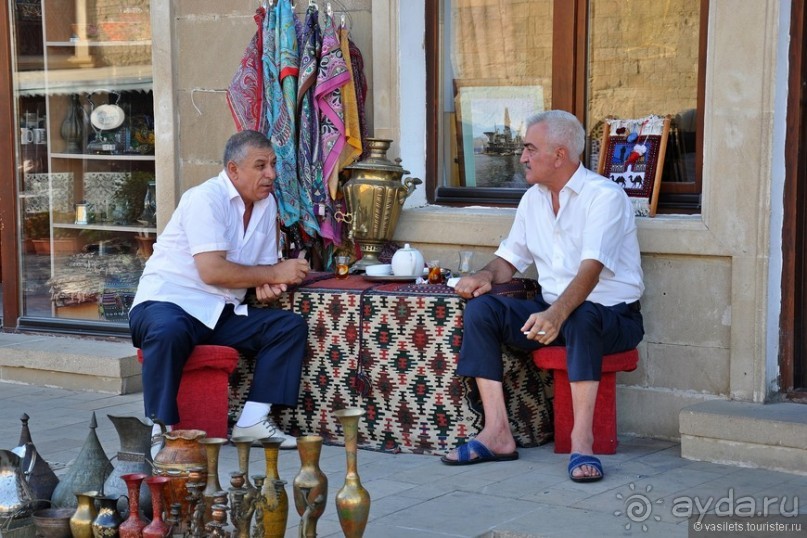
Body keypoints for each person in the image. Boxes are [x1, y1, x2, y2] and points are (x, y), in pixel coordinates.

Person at [441, 110, 644, 482]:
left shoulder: (605, 197)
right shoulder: (533, 199)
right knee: (482, 311)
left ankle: (582, 442)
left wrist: (556, 314)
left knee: (582, 315)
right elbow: (509, 259)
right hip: (555, 313)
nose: (522, 157)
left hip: (613, 317)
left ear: (560, 154)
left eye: (530, 149)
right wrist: (483, 276)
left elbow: (591, 270)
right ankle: (497, 433)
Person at [129, 129, 310, 450]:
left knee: (287, 327)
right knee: (168, 330)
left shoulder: (266, 205)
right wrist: (271, 273)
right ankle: (159, 429)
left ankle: (253, 421)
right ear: (233, 169)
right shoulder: (204, 198)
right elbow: (211, 270)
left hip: (219, 312)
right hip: (167, 303)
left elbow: (262, 273)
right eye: (260, 166)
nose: (270, 174)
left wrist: (270, 284)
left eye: (272, 165)